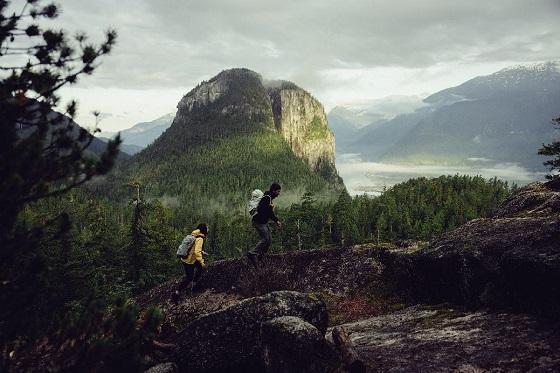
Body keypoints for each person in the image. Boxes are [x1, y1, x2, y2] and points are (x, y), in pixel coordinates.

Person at [247, 182, 282, 267]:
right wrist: (270, 207)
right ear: (273, 191)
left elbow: (269, 212)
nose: (279, 194)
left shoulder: (268, 197)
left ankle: (261, 256)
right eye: (278, 191)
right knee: (266, 239)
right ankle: (252, 253)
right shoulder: (267, 197)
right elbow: (260, 209)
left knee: (269, 239)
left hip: (262, 222)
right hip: (258, 222)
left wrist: (276, 221)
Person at [173, 223, 208, 301]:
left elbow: (193, 247)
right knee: (189, 277)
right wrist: (202, 261)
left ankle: (194, 284)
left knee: (199, 268)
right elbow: (196, 252)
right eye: (207, 228)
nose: (208, 229)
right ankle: (177, 293)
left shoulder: (195, 235)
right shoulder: (200, 239)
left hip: (185, 259)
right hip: (189, 261)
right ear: (204, 230)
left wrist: (202, 252)